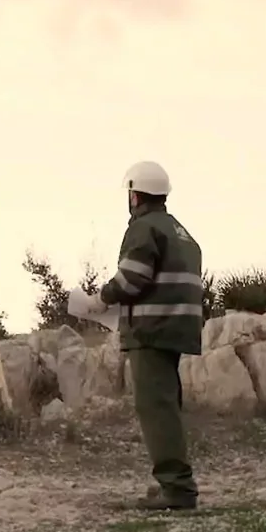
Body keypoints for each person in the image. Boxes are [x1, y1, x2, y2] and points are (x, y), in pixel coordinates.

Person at [83, 160, 204, 510]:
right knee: (166, 405)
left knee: (155, 407)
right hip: (178, 329)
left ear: (135, 196)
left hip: (151, 331)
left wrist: (99, 300)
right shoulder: (182, 233)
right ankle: (175, 483)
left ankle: (177, 488)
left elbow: (131, 278)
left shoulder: (143, 229)